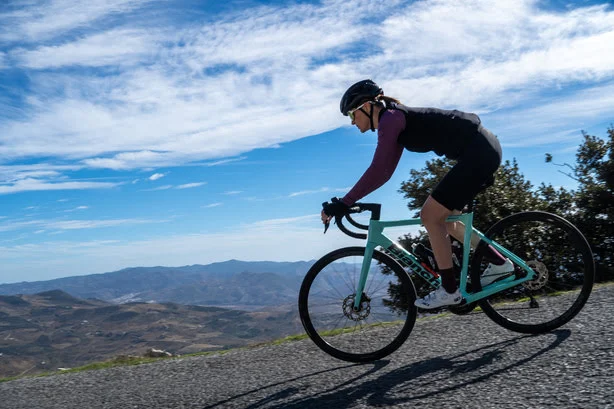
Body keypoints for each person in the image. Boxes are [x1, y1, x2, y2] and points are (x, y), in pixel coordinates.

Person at [321, 79, 514, 309]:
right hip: (483, 149)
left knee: (429, 216)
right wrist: (346, 201)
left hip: (479, 153)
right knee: (449, 222)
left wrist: (345, 202)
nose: (352, 122)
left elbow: (378, 170)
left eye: (352, 115)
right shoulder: (393, 120)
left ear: (367, 106)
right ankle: (500, 264)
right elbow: (384, 172)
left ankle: (449, 290)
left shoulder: (390, 119)